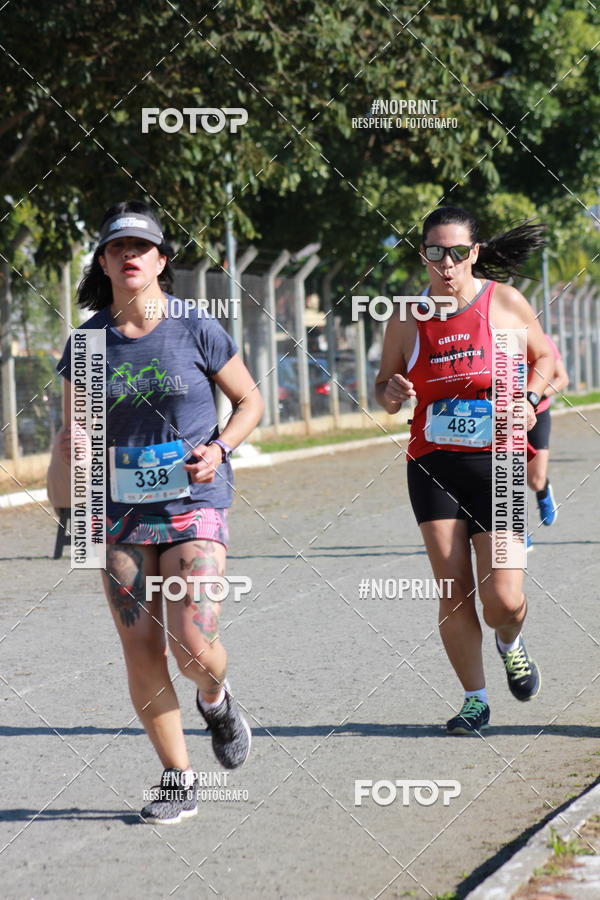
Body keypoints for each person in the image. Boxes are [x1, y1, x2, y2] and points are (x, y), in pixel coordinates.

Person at [56, 200, 264, 822]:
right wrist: (72, 509)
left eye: (140, 248)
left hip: (192, 501)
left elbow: (250, 400)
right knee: (142, 648)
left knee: (194, 644)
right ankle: (178, 778)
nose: (128, 257)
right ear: (103, 260)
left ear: (161, 261)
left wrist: (220, 447)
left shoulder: (197, 327)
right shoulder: (87, 342)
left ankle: (217, 699)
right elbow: (77, 435)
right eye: (116, 247)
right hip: (115, 512)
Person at [375, 206, 554, 735]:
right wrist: (393, 391)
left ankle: (509, 641)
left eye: (457, 252)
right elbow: (383, 389)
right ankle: (474, 699)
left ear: (474, 253)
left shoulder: (503, 303)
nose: (446, 263)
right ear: (423, 254)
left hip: (497, 462)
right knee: (453, 590)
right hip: (433, 464)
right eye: (435, 252)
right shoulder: (409, 316)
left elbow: (545, 359)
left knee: (504, 598)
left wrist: (528, 396)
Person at [525, 333, 569, 550]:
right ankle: (515, 530)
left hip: (537, 411)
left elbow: (562, 378)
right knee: (503, 473)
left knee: (535, 480)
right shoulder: (490, 337)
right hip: (502, 414)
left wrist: (536, 394)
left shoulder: (541, 340)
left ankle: (543, 490)